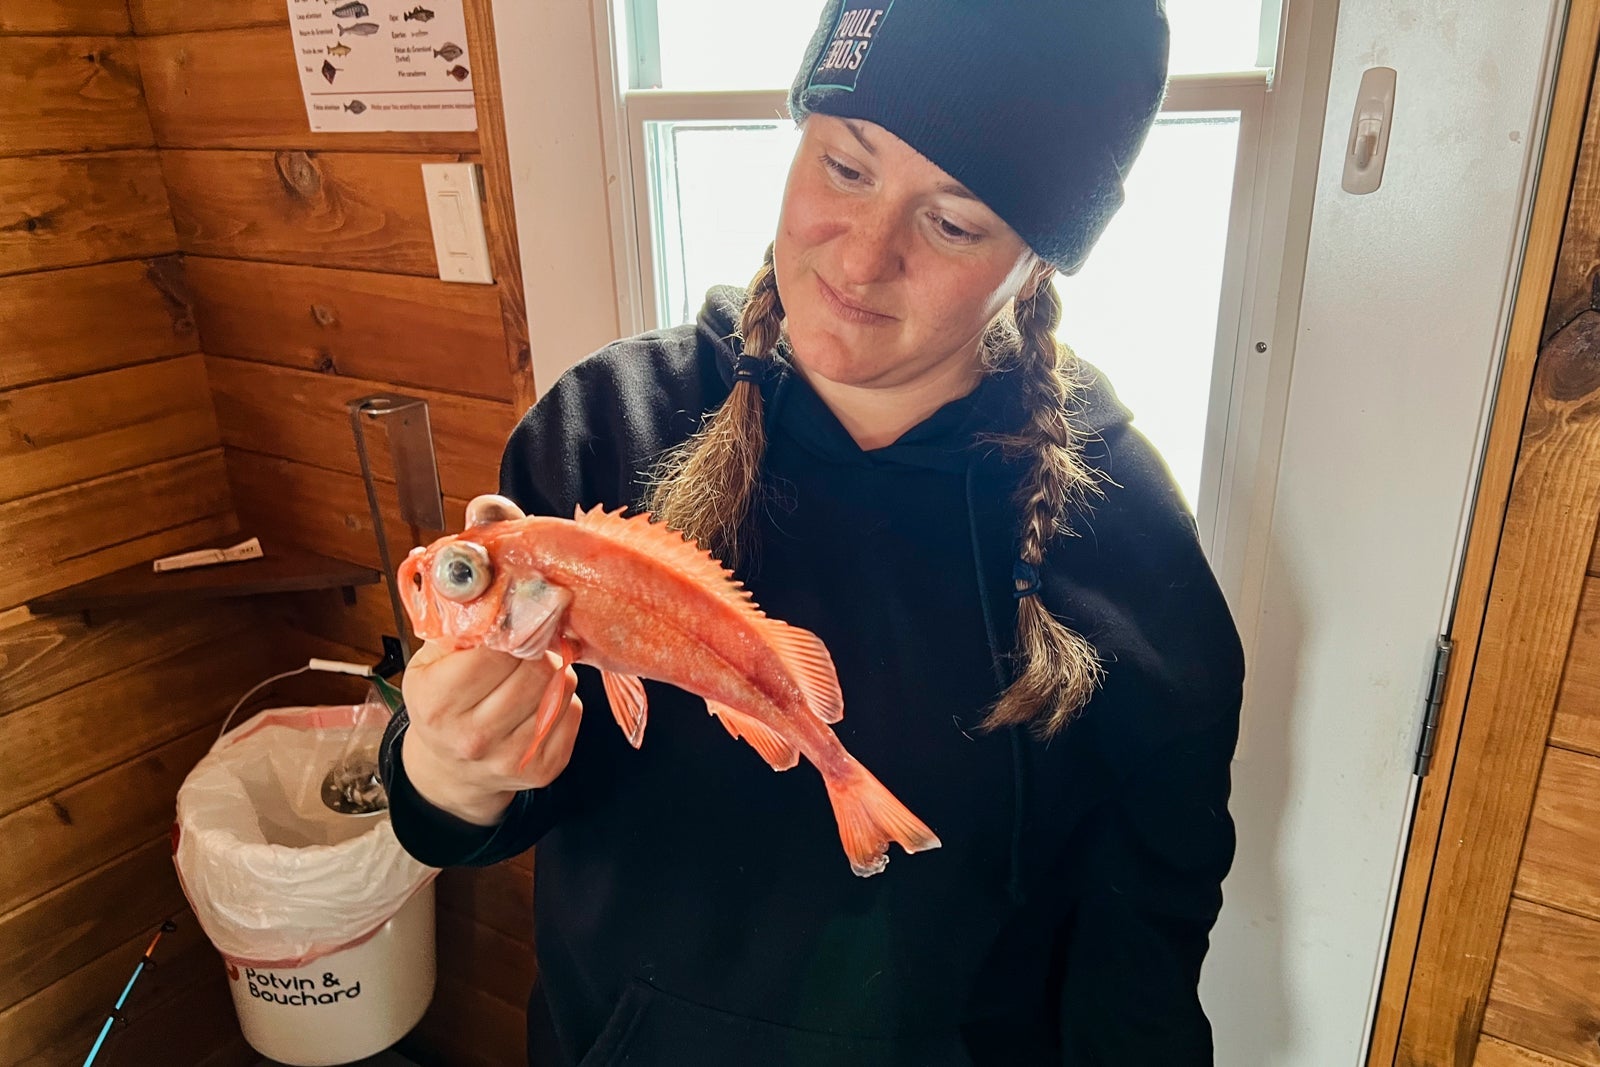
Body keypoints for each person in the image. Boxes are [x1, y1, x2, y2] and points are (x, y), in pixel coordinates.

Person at [380, 0, 1246, 1063]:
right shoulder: (603, 428)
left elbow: (1142, 953)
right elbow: (479, 813)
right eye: (844, 166)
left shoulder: (1124, 539)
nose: (863, 256)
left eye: (956, 220)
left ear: (1041, 261)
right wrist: (448, 765)